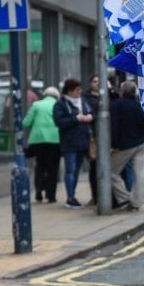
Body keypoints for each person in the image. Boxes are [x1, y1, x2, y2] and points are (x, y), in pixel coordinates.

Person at [110, 81, 144, 210]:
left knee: (111, 172)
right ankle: (136, 203)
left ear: (122, 92)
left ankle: (123, 199)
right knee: (139, 174)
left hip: (125, 145)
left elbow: (114, 126)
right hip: (140, 143)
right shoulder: (139, 105)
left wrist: (114, 144)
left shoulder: (117, 105)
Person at [53, 78, 93, 208]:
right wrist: (76, 119)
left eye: (80, 89)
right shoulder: (60, 104)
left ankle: (73, 195)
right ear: (69, 91)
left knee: (76, 171)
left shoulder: (83, 101)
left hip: (83, 141)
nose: (80, 92)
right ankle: (70, 197)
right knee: (70, 170)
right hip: (69, 142)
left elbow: (92, 112)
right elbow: (59, 122)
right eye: (77, 90)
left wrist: (91, 117)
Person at [23, 86, 62, 203]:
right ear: (56, 96)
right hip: (55, 140)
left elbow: (26, 122)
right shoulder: (58, 105)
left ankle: (39, 189)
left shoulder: (36, 105)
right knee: (53, 169)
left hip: (38, 140)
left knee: (40, 165)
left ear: (44, 94)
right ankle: (51, 196)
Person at [84, 74, 102, 206]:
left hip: (107, 137)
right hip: (93, 137)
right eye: (94, 81)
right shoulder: (85, 98)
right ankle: (95, 196)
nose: (96, 84)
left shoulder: (108, 96)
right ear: (90, 83)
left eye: (99, 82)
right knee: (94, 167)